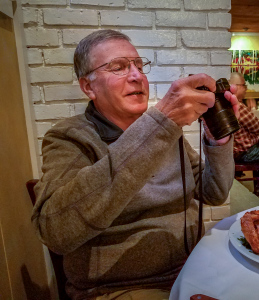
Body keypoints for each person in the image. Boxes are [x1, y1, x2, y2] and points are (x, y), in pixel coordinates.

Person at [31, 29, 239, 300]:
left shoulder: (163, 129)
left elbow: (213, 192)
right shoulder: (69, 138)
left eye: (139, 65)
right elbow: (56, 231)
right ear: (88, 87)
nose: (136, 75)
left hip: (192, 268)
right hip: (119, 288)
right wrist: (159, 125)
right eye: (118, 67)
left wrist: (217, 143)